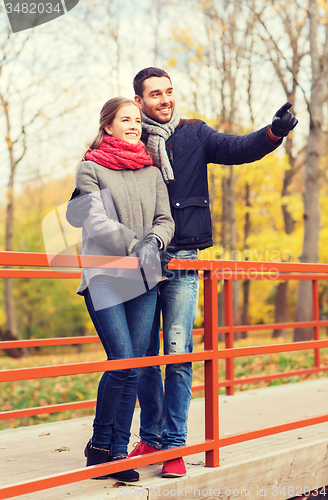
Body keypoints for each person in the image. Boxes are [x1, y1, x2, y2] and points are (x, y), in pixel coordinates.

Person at [67, 68, 298, 478]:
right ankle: (136, 441)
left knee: (177, 353)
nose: (164, 99)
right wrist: (135, 240)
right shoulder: (107, 160)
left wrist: (272, 134)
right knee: (137, 359)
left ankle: (169, 444)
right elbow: (85, 212)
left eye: (169, 91)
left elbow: (237, 148)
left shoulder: (190, 136)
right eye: (154, 94)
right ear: (137, 102)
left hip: (179, 260)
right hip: (130, 268)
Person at [73, 96, 174, 482]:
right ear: (108, 127)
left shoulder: (152, 172)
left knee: (133, 365)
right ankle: (101, 444)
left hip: (145, 280)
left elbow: (165, 220)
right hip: (103, 278)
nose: (134, 125)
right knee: (121, 361)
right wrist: (136, 243)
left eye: (137, 120)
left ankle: (114, 450)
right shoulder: (89, 168)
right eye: (125, 120)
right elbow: (94, 221)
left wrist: (154, 242)